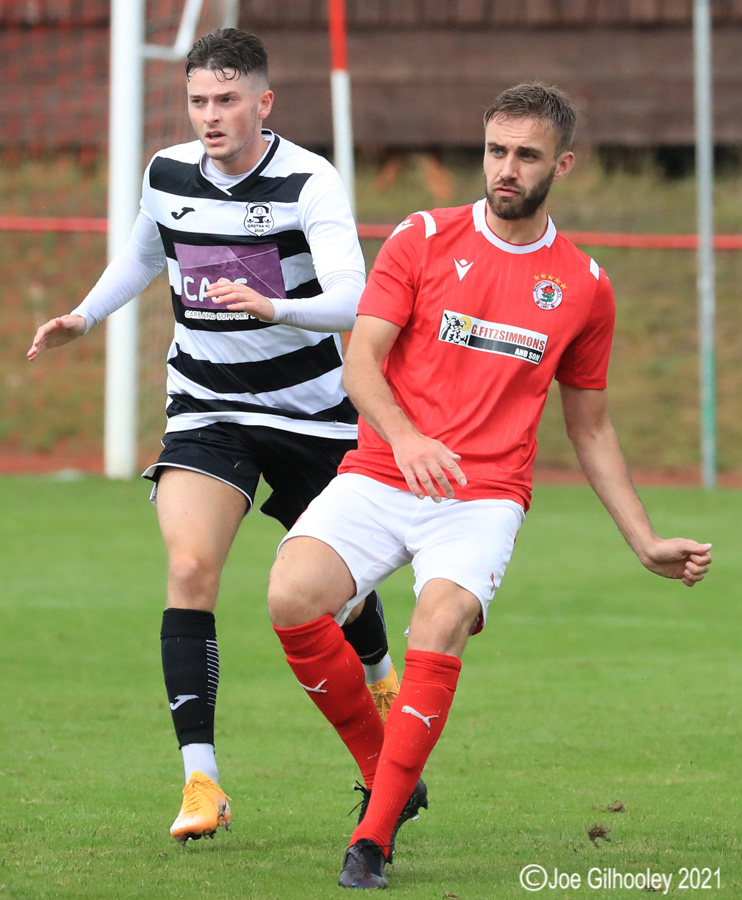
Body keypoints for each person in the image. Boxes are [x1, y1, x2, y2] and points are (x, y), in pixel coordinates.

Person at [266, 82, 713, 889]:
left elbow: (591, 428)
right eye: (496, 150)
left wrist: (644, 539)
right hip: (382, 469)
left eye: (527, 155)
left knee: (436, 625)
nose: (506, 169)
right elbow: (361, 362)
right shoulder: (423, 237)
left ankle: (372, 841)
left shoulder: (584, 285)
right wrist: (406, 438)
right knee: (290, 595)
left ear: (563, 165)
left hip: (483, 497)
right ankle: (388, 768)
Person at [27, 28, 404, 846]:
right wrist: (84, 317)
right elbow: (144, 253)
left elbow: (355, 296)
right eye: (199, 100)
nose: (210, 115)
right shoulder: (166, 172)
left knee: (339, 591)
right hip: (206, 407)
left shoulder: (310, 179)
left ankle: (379, 681)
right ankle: (203, 781)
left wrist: (278, 308)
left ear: (263, 103)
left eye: (227, 100)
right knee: (191, 566)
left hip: (312, 412)